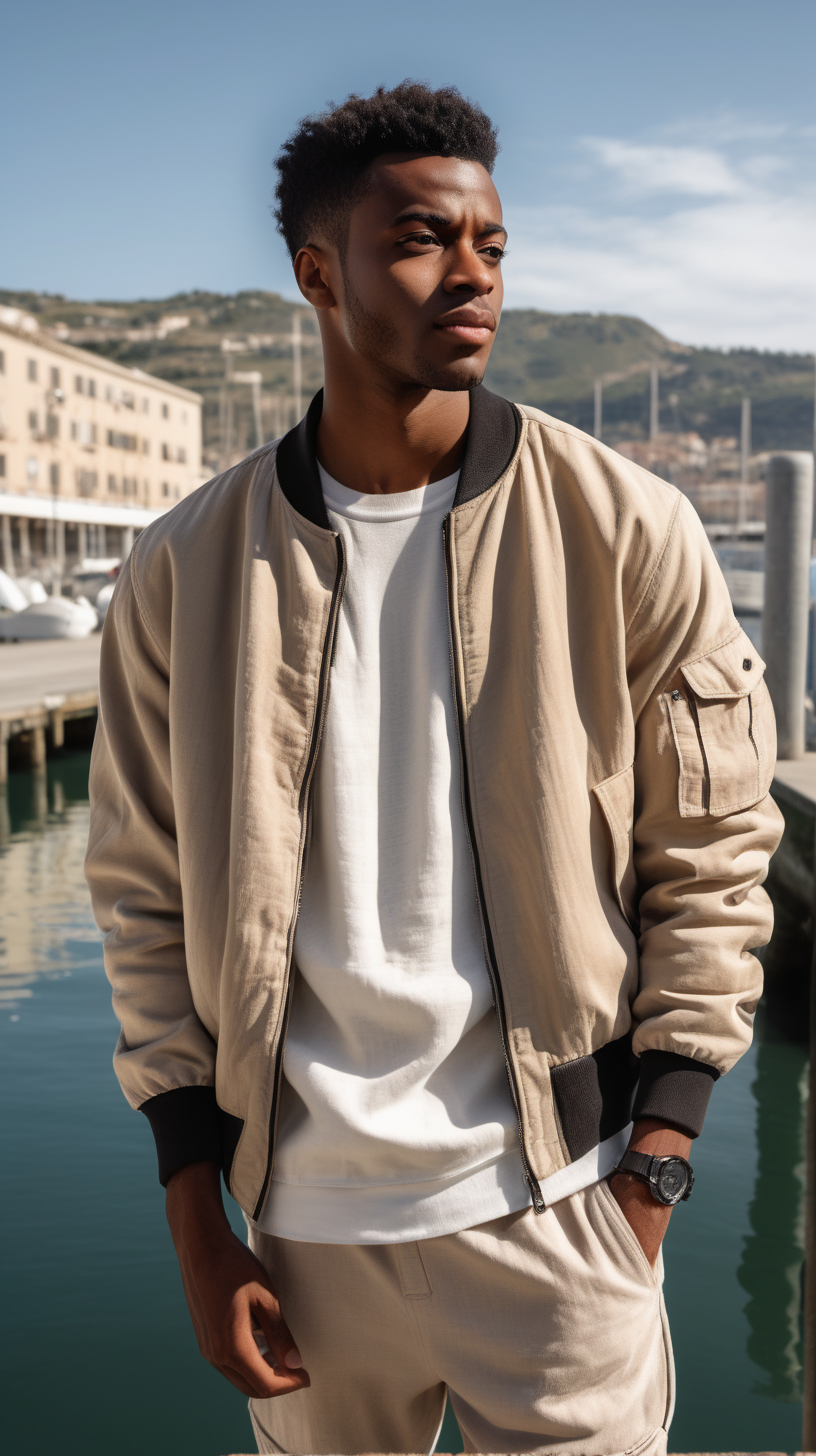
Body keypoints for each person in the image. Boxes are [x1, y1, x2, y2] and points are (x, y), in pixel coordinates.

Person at [85, 81, 783, 1456]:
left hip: (564, 1219)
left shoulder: (628, 524)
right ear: (316, 275)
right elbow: (139, 899)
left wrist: (656, 1167)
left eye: (493, 245)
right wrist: (197, 1224)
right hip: (301, 1246)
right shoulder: (184, 568)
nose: (473, 274)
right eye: (420, 238)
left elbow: (713, 852)